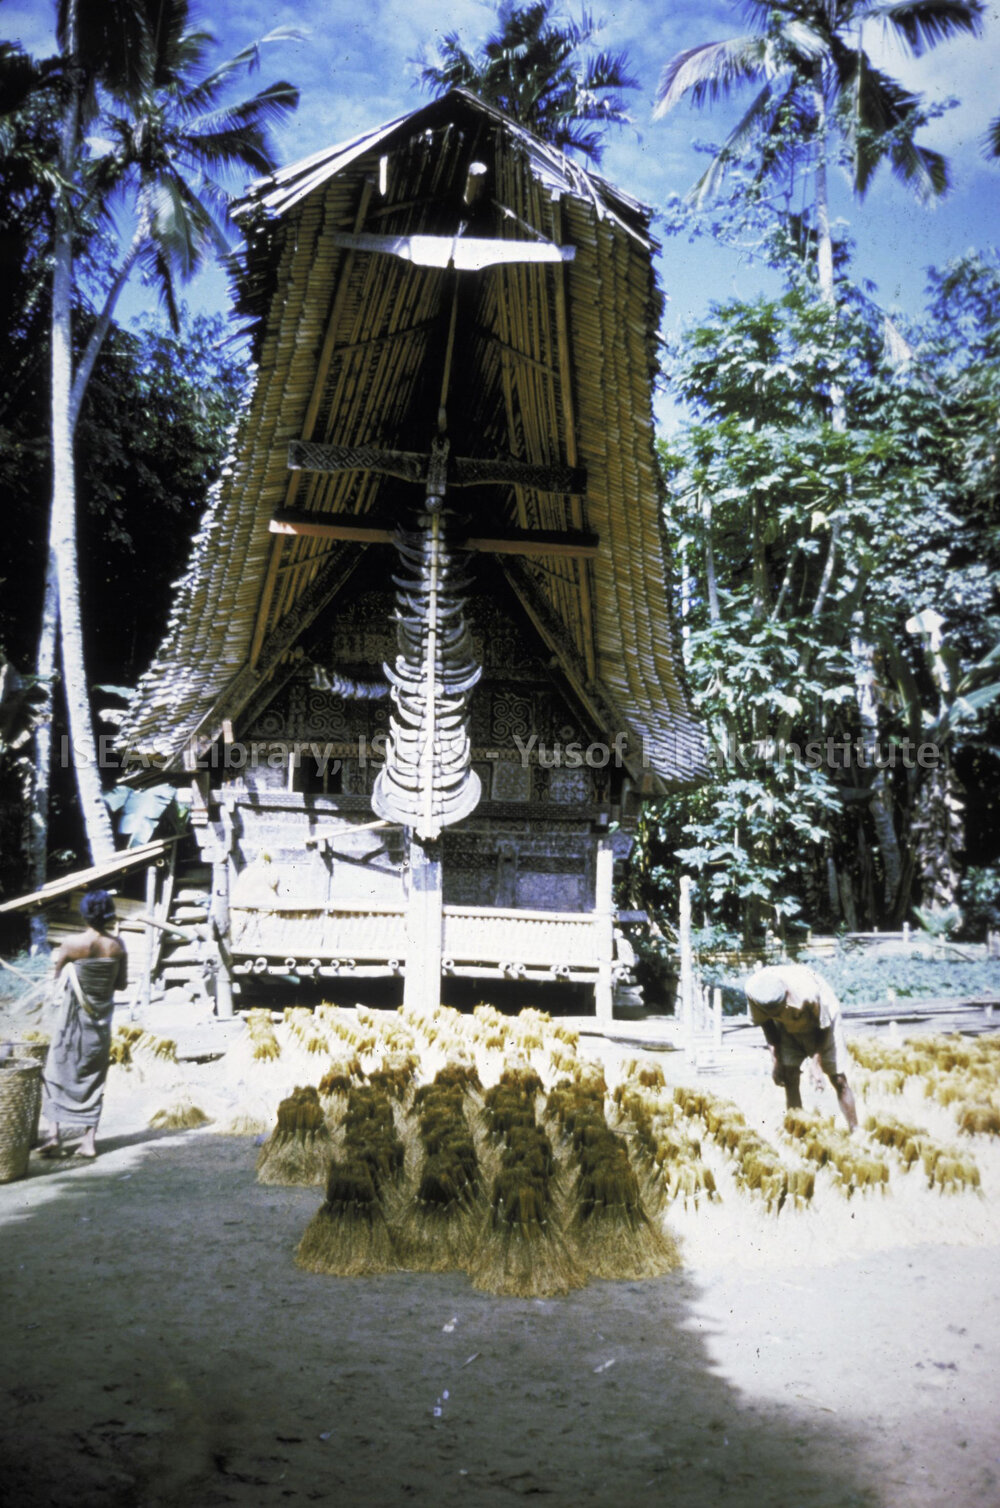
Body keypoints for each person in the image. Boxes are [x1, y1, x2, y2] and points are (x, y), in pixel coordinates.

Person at [39, 889, 127, 1160]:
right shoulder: (117, 946)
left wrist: (71, 971)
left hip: (71, 1022)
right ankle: (88, 1142)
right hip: (99, 1023)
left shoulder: (71, 944)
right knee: (93, 1077)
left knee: (56, 1071)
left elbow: (55, 979)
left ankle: (54, 1135)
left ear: (85, 914)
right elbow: (121, 985)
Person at [745, 962, 857, 1130]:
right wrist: (776, 1061)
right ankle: (798, 1130)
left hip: (822, 1023)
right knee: (789, 1076)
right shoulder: (755, 991)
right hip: (788, 1027)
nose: (776, 1015)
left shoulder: (807, 992)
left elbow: (823, 1025)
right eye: (773, 1014)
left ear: (787, 995)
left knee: (838, 1078)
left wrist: (816, 1063)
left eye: (778, 1010)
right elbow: (767, 1025)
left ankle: (855, 1130)